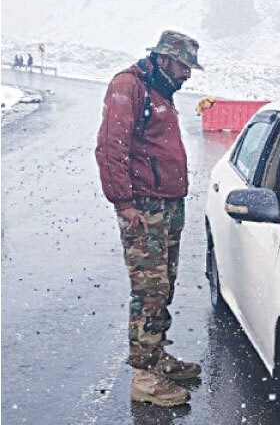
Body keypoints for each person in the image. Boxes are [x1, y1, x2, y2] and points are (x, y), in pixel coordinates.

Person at [95, 30, 204, 407]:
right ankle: (144, 378)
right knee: (149, 292)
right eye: (184, 66)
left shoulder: (160, 89)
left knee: (164, 285)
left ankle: (156, 358)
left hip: (167, 207)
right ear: (163, 58)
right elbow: (111, 147)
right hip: (145, 209)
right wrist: (125, 204)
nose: (188, 75)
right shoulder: (130, 87)